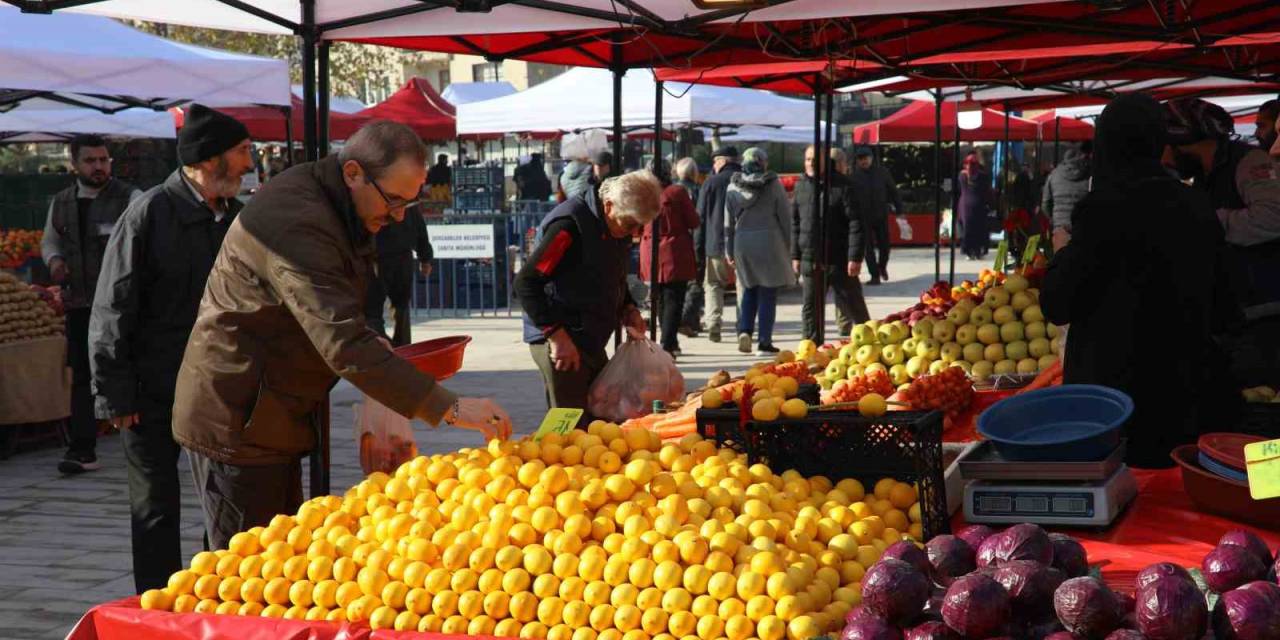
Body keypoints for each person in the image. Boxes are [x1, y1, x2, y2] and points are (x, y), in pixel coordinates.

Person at [171, 121, 512, 550]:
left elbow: (345, 306)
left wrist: (376, 341)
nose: (398, 216)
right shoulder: (297, 222)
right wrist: (452, 407)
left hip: (275, 412)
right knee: (246, 566)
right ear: (353, 173)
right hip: (238, 417)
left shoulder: (341, 206)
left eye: (410, 204)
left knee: (281, 556)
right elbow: (341, 341)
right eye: (393, 201)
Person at [89, 105, 252, 592]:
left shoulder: (237, 220)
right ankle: (156, 607)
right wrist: (115, 394)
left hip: (216, 391)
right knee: (155, 509)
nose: (249, 162)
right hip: (149, 392)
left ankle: (216, 599)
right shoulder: (148, 214)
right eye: (242, 152)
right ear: (210, 159)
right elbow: (112, 308)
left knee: (222, 507)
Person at [1042, 94, 1238, 468]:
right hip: (1183, 405)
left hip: (1111, 414)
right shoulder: (1195, 205)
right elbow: (1226, 308)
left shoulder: (1101, 210)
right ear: (1157, 141)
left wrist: (1064, 250)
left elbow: (1057, 302)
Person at [516, 170, 659, 412]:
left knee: (600, 415)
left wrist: (628, 307)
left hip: (589, 337)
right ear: (609, 206)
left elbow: (612, 276)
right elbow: (527, 282)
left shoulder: (615, 226)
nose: (634, 233)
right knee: (571, 425)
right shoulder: (569, 226)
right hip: (561, 337)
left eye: (640, 227)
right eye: (630, 224)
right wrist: (557, 336)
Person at [42, 135, 142, 474]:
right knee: (83, 376)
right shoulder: (62, 201)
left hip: (123, 308)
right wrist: (54, 260)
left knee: (129, 371)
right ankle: (82, 450)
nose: (98, 166)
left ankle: (142, 445)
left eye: (103, 160)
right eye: (90, 161)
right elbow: (50, 241)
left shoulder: (131, 198)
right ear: (75, 164)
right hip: (80, 305)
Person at [1164, 97, 1280, 383]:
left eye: (1168, 149)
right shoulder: (1204, 175)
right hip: (1233, 314)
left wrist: (1206, 221)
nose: (1166, 160)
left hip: (1264, 314)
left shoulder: (1250, 162)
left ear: (1186, 142)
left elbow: (1272, 218)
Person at [793, 144, 868, 343]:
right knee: (811, 308)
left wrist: (855, 257)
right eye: (808, 159)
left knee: (853, 304)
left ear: (827, 161)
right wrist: (795, 255)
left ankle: (870, 343)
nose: (811, 163)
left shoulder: (844, 186)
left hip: (839, 257)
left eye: (815, 159)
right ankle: (810, 348)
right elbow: (796, 222)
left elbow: (856, 223)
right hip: (810, 258)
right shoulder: (801, 185)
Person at [724, 148, 794, 356]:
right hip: (769, 240)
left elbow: (726, 223)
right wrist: (788, 247)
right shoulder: (773, 185)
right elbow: (785, 217)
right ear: (763, 163)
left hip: (742, 241)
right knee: (768, 291)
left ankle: (745, 330)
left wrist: (729, 250)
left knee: (749, 288)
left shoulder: (732, 187)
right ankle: (764, 341)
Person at [639, 159, 700, 358]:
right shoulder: (677, 192)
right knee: (674, 298)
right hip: (674, 251)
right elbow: (693, 221)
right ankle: (667, 343)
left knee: (659, 298)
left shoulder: (642, 194)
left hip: (650, 250)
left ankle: (670, 341)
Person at [366, 202, 432, 347]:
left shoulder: (373, 194)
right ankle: (401, 346)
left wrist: (425, 257)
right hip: (399, 256)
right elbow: (420, 228)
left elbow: (419, 227)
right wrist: (425, 258)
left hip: (379, 258)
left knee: (373, 310)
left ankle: (383, 347)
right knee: (400, 306)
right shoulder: (406, 197)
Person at [695, 146, 741, 343]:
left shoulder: (711, 183)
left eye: (715, 161)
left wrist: (698, 247)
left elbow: (700, 218)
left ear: (722, 161)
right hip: (741, 244)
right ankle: (743, 326)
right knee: (743, 285)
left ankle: (714, 322)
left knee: (713, 284)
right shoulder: (745, 180)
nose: (714, 165)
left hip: (714, 243)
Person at [850, 147, 903, 285]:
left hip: (880, 214)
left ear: (871, 158)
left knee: (885, 245)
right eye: (860, 159)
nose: (863, 161)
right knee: (867, 248)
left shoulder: (882, 173)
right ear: (857, 161)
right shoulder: (854, 176)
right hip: (862, 217)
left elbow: (893, 191)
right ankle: (874, 275)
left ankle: (882, 266)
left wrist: (899, 210)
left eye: (866, 158)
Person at [673, 158, 704, 338]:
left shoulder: (672, 190)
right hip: (693, 240)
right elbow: (698, 218)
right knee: (694, 282)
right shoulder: (696, 191)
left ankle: (685, 319)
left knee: (679, 284)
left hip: (677, 241)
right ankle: (688, 319)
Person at [1041, 144, 1091, 232]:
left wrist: (1052, 219)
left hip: (1060, 226)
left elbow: (1045, 204)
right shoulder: (1088, 175)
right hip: (1082, 226)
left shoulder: (1053, 175)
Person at [957, 152, 994, 260]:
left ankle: (969, 251)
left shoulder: (961, 176)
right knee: (979, 229)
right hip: (979, 205)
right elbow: (987, 192)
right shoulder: (983, 176)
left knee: (968, 229)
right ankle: (978, 251)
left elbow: (957, 191)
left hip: (965, 206)